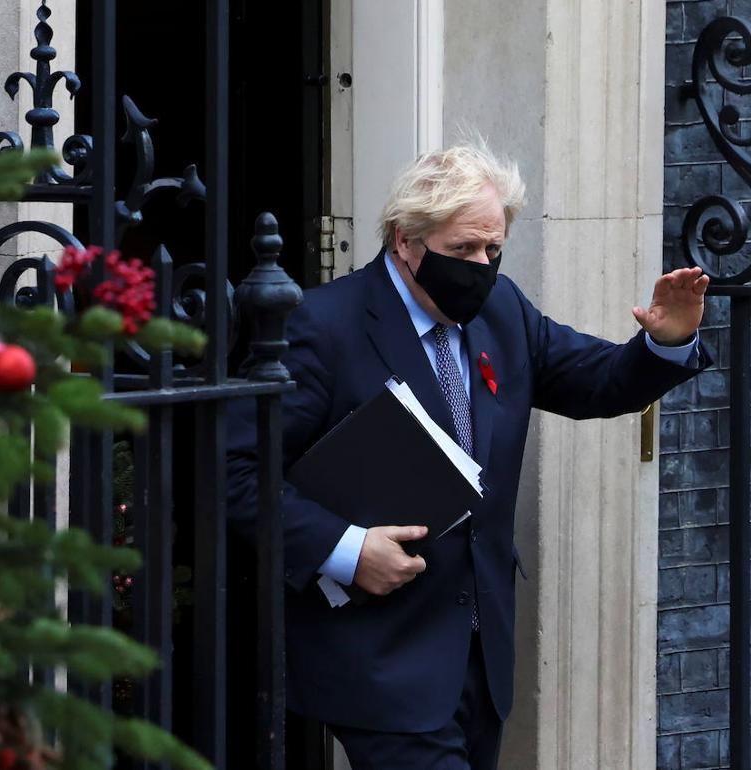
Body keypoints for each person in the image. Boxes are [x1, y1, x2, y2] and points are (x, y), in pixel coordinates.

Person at [225, 143, 710, 769]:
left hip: (481, 657)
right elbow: (233, 475)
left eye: (493, 249)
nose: (481, 266)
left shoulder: (500, 309)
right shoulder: (323, 325)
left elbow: (597, 379)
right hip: (382, 659)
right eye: (462, 250)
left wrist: (663, 344)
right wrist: (346, 548)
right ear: (405, 240)